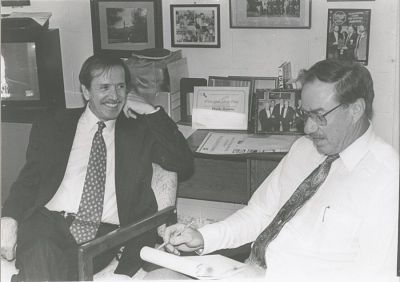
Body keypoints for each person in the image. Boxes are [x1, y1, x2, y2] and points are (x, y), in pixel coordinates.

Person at [154, 59, 399, 280]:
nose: (309, 128)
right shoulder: (304, 149)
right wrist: (203, 237)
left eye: (320, 115)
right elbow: (260, 214)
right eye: (305, 114)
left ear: (356, 109)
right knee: (159, 277)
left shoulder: (387, 175)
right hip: (248, 272)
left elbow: (375, 275)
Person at [0, 54, 194, 281]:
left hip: (100, 234)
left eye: (121, 87)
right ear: (85, 91)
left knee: (53, 267)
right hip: (48, 221)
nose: (114, 96)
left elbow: (183, 163)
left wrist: (149, 110)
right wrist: (9, 218)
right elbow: (29, 180)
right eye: (104, 87)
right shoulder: (54, 124)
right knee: (40, 250)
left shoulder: (137, 131)